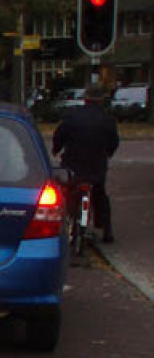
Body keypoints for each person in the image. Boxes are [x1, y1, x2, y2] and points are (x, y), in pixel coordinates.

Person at [52, 84, 120, 243]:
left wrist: (56, 149)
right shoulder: (108, 119)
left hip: (73, 164)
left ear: (85, 98)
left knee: (67, 191)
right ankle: (106, 230)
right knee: (100, 194)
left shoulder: (72, 116)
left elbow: (60, 135)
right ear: (102, 99)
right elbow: (114, 142)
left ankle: (66, 220)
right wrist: (107, 153)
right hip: (96, 166)